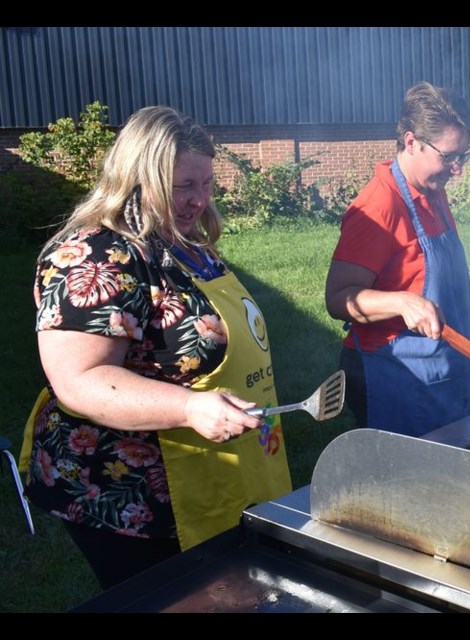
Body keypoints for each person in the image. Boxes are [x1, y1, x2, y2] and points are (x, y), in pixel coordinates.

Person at [19, 106, 292, 590]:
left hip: (214, 471)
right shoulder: (94, 256)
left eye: (206, 183)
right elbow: (79, 381)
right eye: (183, 186)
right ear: (137, 178)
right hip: (129, 494)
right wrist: (189, 406)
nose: (199, 200)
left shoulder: (184, 245)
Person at [325, 81, 470, 436]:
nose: (457, 169)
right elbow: (337, 299)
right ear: (411, 142)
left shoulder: (432, 189)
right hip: (397, 381)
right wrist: (401, 302)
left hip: (446, 374)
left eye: (464, 156)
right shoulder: (379, 205)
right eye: (449, 157)